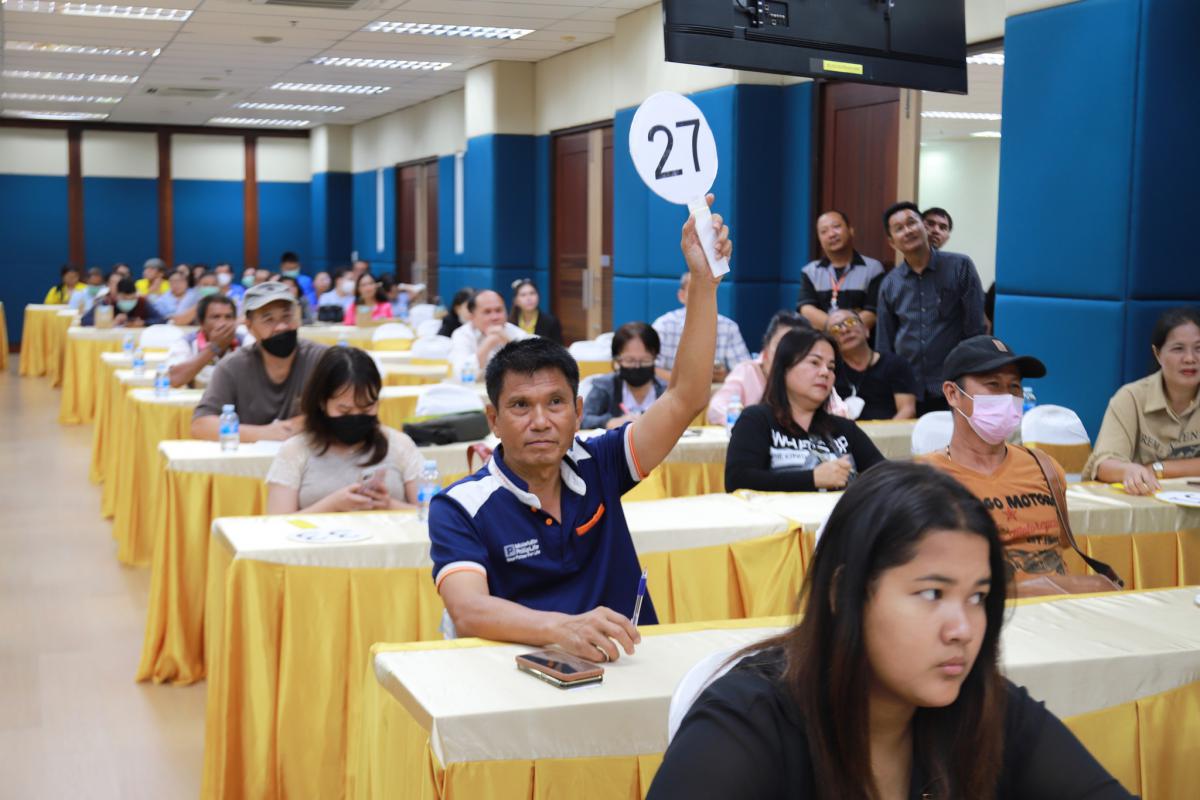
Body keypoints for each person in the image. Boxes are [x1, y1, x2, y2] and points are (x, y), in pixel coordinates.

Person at [649, 462, 1131, 800]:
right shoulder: (750, 722)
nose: (963, 629)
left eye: (978, 597)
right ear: (844, 594)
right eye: (931, 593)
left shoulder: (988, 707)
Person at [429, 196, 733, 662]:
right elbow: (469, 611)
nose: (540, 421)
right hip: (525, 678)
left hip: (627, 667)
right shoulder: (460, 507)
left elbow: (686, 397)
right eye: (520, 406)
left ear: (577, 411)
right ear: (494, 420)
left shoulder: (601, 462)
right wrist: (561, 627)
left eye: (555, 404)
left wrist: (704, 284)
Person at [919, 335, 1068, 581]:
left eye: (1015, 387)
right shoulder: (923, 480)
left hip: (1057, 601)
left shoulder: (1045, 468)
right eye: (993, 385)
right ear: (952, 394)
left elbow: (1059, 548)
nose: (1008, 398)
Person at [725, 328, 885, 493]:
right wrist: (812, 479)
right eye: (814, 363)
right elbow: (737, 480)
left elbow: (886, 476)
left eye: (831, 367)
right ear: (785, 368)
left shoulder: (844, 428)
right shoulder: (757, 420)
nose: (825, 373)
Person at [266, 347, 421, 513]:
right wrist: (332, 505)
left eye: (366, 409)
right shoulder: (295, 451)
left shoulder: (399, 445)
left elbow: (432, 514)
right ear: (322, 403)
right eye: (344, 411)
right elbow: (277, 523)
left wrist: (388, 505)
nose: (355, 417)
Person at [875, 201, 986, 416]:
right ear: (891, 241)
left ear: (924, 227)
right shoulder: (890, 283)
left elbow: (975, 329)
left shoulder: (960, 266)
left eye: (912, 223)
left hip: (953, 386)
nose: (908, 230)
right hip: (908, 391)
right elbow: (884, 343)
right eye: (899, 228)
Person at [191, 282, 327, 442]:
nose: (281, 327)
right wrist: (266, 433)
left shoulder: (322, 359)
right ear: (249, 326)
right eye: (269, 319)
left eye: (287, 316)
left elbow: (343, 409)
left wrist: (294, 426)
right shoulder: (232, 367)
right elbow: (201, 425)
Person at [1084, 307, 1200, 494]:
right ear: (1157, 354)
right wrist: (1128, 471)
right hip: (1142, 501)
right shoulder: (1130, 397)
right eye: (1178, 349)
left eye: (1198, 348)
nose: (1190, 358)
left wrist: (1157, 469)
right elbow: (1103, 463)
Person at [708, 311, 810, 425]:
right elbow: (716, 409)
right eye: (781, 346)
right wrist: (748, 426)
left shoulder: (812, 377)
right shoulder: (747, 372)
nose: (787, 354)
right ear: (766, 346)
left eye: (797, 350)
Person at [653, 271, 751, 383]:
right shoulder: (664, 325)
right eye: (695, 291)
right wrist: (688, 384)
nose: (701, 296)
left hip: (715, 392)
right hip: (671, 391)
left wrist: (722, 376)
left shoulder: (728, 328)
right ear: (681, 296)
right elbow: (651, 369)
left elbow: (745, 373)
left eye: (706, 292)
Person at [796, 211, 885, 331]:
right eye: (824, 231)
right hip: (822, 341)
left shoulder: (873, 269)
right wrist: (837, 330)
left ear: (851, 230)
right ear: (819, 239)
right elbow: (806, 310)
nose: (831, 234)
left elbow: (872, 313)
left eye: (836, 227)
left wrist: (842, 331)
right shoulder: (810, 272)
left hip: (860, 341)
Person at [828, 308, 917, 420]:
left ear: (866, 330)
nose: (845, 330)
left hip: (891, 429)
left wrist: (885, 431)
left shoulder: (895, 364)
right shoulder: (830, 371)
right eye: (835, 329)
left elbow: (907, 410)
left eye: (850, 322)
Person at [582, 322, 667, 429]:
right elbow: (582, 419)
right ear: (617, 360)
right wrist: (609, 422)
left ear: (655, 357)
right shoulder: (604, 386)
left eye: (645, 360)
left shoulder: (665, 391)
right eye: (629, 360)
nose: (637, 366)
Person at [165, 294, 248, 388]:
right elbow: (174, 380)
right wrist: (213, 348)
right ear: (201, 322)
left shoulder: (245, 341)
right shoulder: (186, 342)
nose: (223, 323)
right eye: (216, 317)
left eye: (228, 317)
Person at [448, 289, 530, 378]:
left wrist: (509, 343)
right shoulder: (462, 334)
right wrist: (488, 343)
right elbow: (461, 374)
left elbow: (532, 368)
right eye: (487, 312)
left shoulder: (514, 332)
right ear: (472, 316)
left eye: (498, 310)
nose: (495, 317)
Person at [81, 277, 164, 327]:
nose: (128, 301)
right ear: (116, 295)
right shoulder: (107, 302)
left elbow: (161, 319)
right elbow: (85, 320)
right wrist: (110, 322)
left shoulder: (141, 302)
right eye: (124, 298)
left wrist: (144, 323)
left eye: (132, 299)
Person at [509, 279, 563, 343]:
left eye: (532, 293)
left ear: (538, 296)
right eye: (523, 295)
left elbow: (558, 347)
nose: (529, 298)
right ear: (515, 301)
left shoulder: (551, 322)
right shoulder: (510, 323)